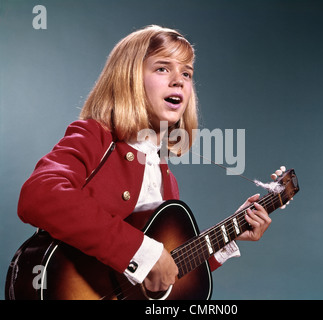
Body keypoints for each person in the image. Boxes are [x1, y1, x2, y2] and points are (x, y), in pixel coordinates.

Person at [17, 25, 272, 295]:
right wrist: (140, 251)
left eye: (186, 72)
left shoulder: (166, 177)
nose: (179, 80)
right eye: (163, 68)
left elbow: (164, 272)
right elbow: (39, 195)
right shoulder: (95, 137)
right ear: (128, 78)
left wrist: (231, 233)